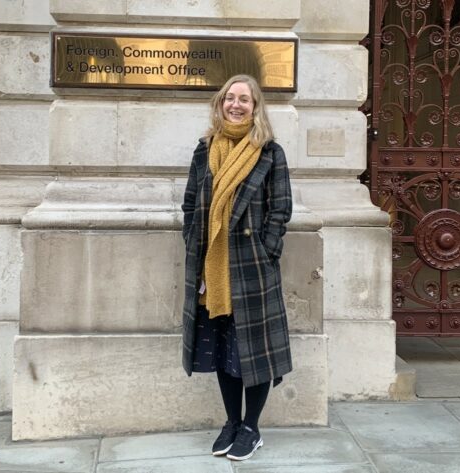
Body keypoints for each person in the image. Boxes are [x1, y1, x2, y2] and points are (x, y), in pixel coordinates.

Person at [181, 74, 293, 461]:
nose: (236, 104)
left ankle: (252, 427)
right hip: (212, 269)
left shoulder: (269, 152)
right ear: (220, 103)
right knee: (224, 349)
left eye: (244, 99)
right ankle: (231, 422)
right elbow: (190, 203)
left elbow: (281, 209)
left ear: (256, 106)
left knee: (254, 353)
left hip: (252, 269)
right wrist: (191, 241)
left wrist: (267, 251)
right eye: (231, 98)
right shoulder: (205, 149)